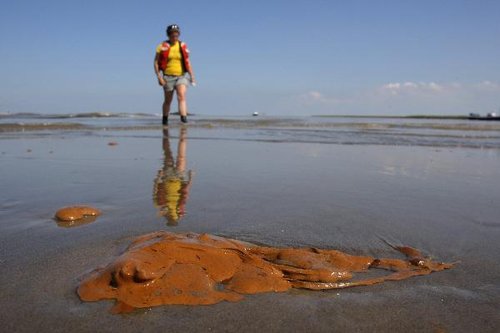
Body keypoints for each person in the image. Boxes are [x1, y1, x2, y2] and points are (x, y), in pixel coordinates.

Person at [154, 24, 196, 126]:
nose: (175, 36)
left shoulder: (182, 45)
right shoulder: (162, 46)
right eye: (172, 34)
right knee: (168, 100)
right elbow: (155, 62)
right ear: (168, 35)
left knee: (181, 96)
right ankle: (165, 121)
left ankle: (184, 120)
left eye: (176, 34)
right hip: (168, 76)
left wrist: (192, 76)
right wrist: (159, 77)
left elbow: (188, 61)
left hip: (181, 75)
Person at [152, 127, 193, 225]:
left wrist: (158, 177)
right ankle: (181, 135)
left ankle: (169, 136)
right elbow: (185, 193)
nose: (172, 215)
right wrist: (190, 179)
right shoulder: (179, 209)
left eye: (172, 217)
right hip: (179, 178)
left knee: (170, 156)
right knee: (180, 158)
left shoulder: (161, 207)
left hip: (167, 177)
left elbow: (155, 191)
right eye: (174, 217)